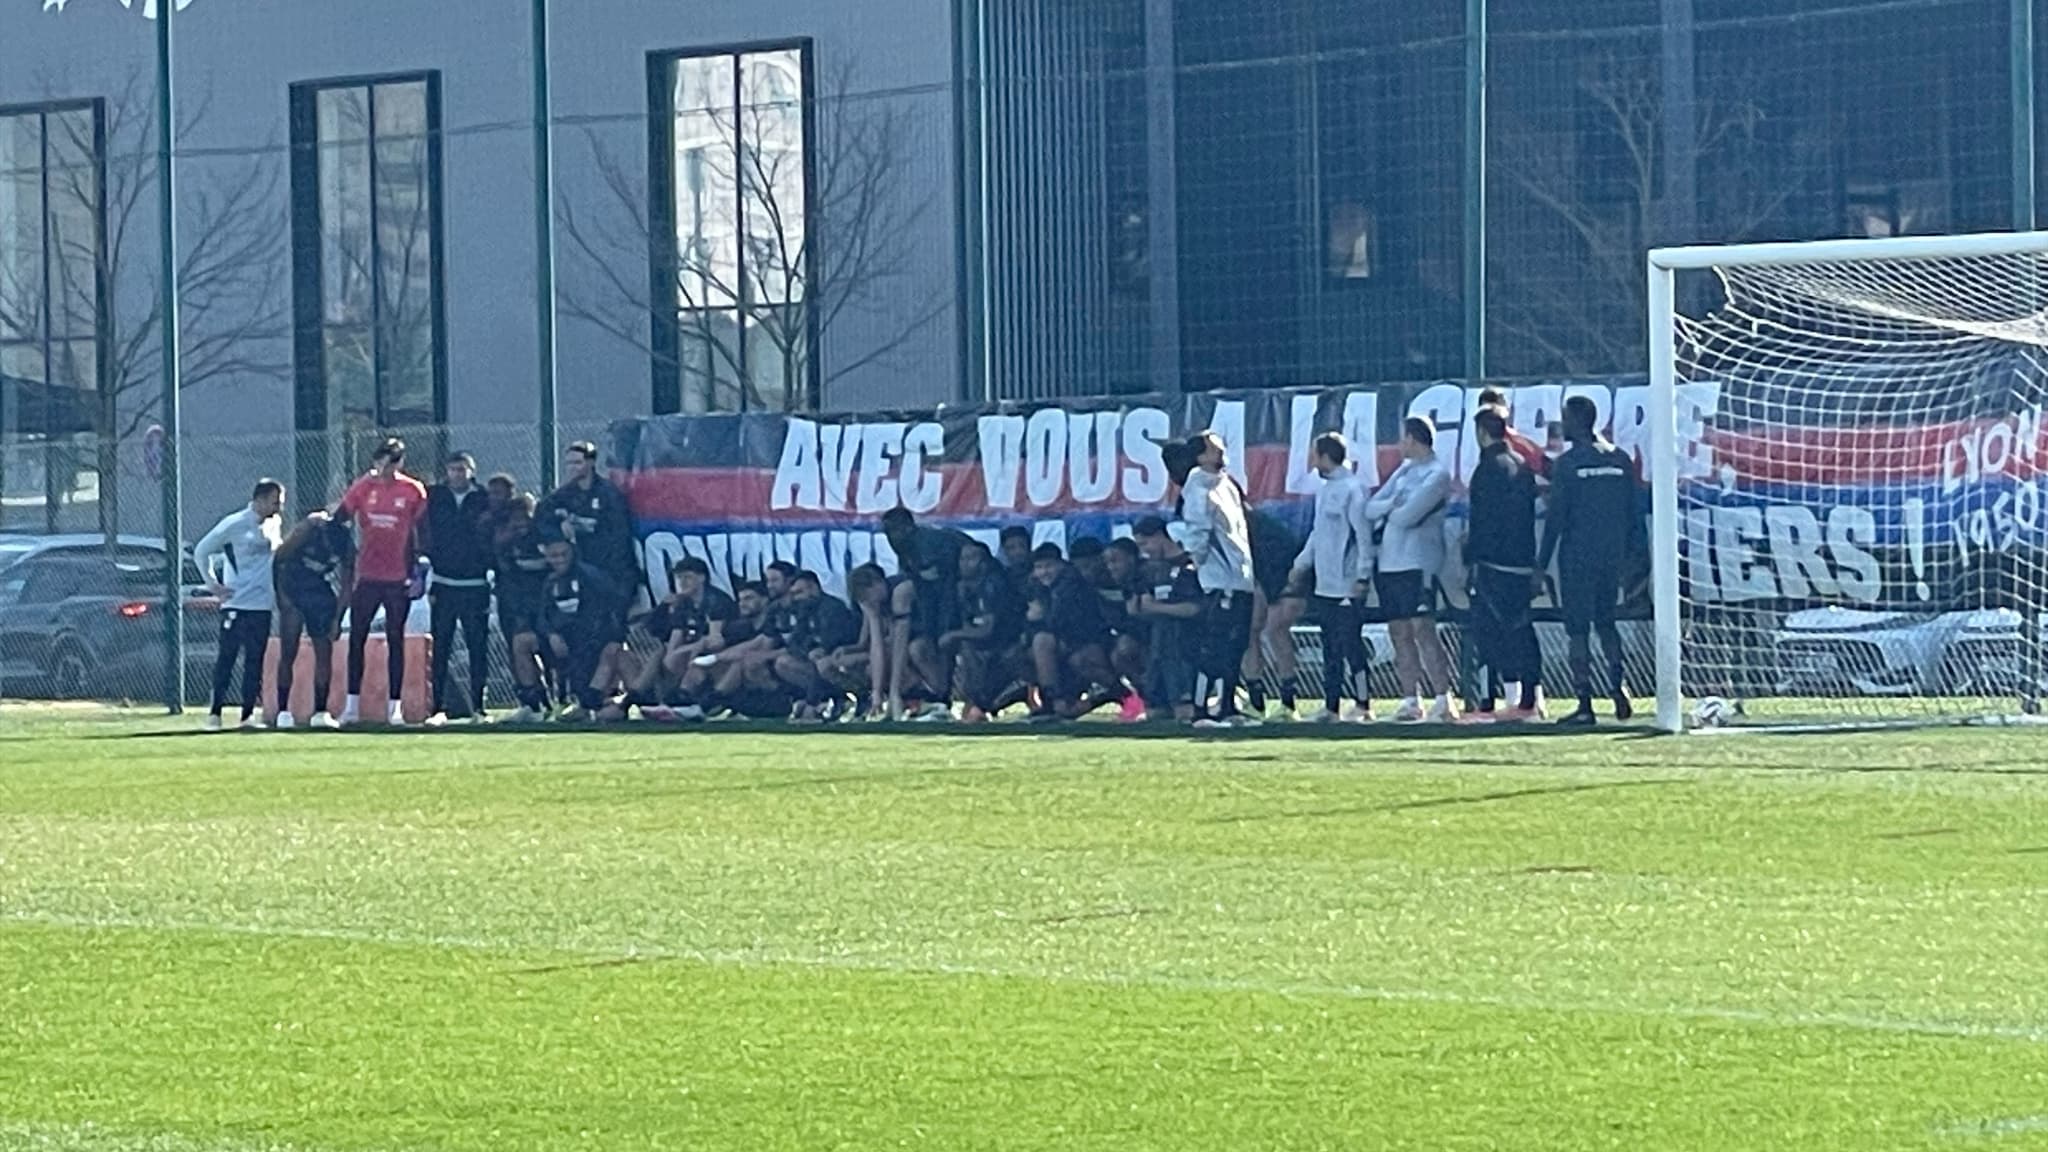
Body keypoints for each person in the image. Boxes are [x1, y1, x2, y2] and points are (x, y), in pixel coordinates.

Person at [1539, 395, 1642, 726]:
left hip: (1578, 558)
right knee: (1607, 622)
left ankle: (1584, 703)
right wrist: (1634, 559)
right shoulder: (1620, 459)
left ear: (1579, 421)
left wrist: (1541, 566)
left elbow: (1556, 519)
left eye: (1566, 418)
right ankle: (1617, 688)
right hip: (1611, 557)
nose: (1563, 425)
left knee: (1578, 630)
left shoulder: (1569, 465)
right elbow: (1633, 515)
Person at [1366, 417, 1457, 723]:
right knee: (1399, 631)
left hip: (1419, 563)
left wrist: (1392, 508)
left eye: (1402, 438)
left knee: (1423, 630)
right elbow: (1371, 508)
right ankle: (1410, 699)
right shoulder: (1404, 471)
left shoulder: (1438, 474)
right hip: (1389, 562)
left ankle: (1444, 698)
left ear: (1414, 439)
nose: (1399, 444)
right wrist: (1393, 503)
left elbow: (1406, 517)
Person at [335, 438, 429, 727]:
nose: (382, 468)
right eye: (379, 461)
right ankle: (351, 706)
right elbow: (341, 517)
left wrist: (418, 571)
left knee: (395, 638)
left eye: (389, 462)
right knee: (357, 638)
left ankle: (394, 708)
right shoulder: (364, 486)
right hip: (368, 575)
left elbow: (421, 532)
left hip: (397, 576)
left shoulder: (413, 491)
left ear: (399, 463)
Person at [1289, 433, 1376, 723]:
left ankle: (1363, 704)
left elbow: (1363, 536)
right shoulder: (1324, 490)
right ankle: (1331, 705)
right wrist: (1301, 564)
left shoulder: (1354, 489)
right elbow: (1318, 533)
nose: (1312, 460)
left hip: (1347, 584)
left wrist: (1362, 576)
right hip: (1324, 583)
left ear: (1326, 456)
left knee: (1351, 643)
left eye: (1315, 454)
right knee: (1330, 647)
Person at [1466, 408, 1546, 721]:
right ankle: (1529, 698)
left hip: (1493, 565)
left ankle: (1487, 701)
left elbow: (1482, 520)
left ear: (1482, 433)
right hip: (1522, 561)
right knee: (1522, 629)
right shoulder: (1522, 466)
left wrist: (1472, 557)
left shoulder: (1487, 468)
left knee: (1487, 632)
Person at [1177, 431, 1258, 726]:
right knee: (1215, 645)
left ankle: (1227, 707)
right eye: (1214, 449)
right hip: (1219, 580)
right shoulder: (1198, 489)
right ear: (1200, 456)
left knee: (1236, 645)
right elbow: (1197, 534)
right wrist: (1200, 565)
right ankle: (1200, 709)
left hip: (1241, 578)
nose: (1221, 454)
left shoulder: (1229, 486)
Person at [194, 478, 285, 731]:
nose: (278, 508)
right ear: (260, 500)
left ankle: (247, 715)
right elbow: (202, 550)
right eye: (274, 502)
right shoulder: (234, 524)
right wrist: (213, 585)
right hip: (236, 603)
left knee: (255, 661)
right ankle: (215, 714)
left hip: (262, 604)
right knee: (227, 658)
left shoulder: (274, 523)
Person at [614, 555, 734, 721]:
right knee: (662, 653)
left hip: (719, 653)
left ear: (702, 578)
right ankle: (635, 697)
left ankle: (674, 702)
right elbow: (674, 637)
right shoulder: (683, 603)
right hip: (690, 652)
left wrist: (680, 653)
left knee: (696, 649)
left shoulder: (716, 601)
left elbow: (715, 639)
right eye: (679, 578)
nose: (682, 582)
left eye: (688, 577)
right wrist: (664, 607)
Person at [880, 507, 973, 720]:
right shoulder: (905, 551)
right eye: (888, 533)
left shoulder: (929, 543)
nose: (892, 538)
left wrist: (944, 626)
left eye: (895, 531)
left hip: (962, 602)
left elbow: (949, 585)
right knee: (926, 644)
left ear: (908, 527)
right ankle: (940, 696)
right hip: (937, 602)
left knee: (947, 643)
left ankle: (954, 698)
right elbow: (924, 588)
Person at [424, 451, 493, 726]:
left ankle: (479, 707)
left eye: (462, 469)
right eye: (453, 469)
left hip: (475, 585)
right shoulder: (435, 497)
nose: (457, 474)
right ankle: (437, 708)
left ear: (472, 472)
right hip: (443, 583)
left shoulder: (484, 499)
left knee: (478, 645)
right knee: (441, 647)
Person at [272, 505, 356, 730]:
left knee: (324, 650)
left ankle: (320, 711)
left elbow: (348, 583)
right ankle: (283, 711)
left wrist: (338, 618)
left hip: (318, 592)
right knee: (289, 650)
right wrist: (283, 598)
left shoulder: (347, 543)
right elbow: (279, 559)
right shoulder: (310, 529)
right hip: (293, 587)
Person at [1024, 543, 1121, 719]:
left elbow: (1059, 623)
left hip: (1089, 642)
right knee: (1026, 650)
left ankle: (1053, 701)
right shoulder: (1039, 587)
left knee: (1043, 642)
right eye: (1039, 567)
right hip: (1069, 643)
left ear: (1061, 564)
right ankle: (1054, 701)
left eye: (1049, 566)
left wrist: (1037, 618)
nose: (1044, 572)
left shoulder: (1071, 583)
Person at [539, 533, 629, 723]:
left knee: (599, 672)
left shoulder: (591, 577)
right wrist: (552, 634)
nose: (560, 560)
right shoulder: (550, 582)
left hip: (596, 639)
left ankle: (599, 702)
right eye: (554, 556)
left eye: (564, 554)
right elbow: (543, 614)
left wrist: (615, 636)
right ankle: (540, 704)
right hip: (569, 640)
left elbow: (613, 605)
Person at [1131, 516, 1207, 723]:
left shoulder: (1189, 566)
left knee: (1184, 713)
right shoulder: (1147, 570)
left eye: (1145, 543)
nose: (1144, 550)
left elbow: (1194, 609)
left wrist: (1157, 608)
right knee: (1155, 714)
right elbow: (1141, 605)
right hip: (1158, 646)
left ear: (1159, 536)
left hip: (1185, 645)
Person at [942, 540, 1023, 722]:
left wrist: (954, 634)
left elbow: (987, 630)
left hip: (1004, 643)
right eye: (962, 558)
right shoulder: (960, 587)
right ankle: (946, 700)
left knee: (963, 645)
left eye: (972, 558)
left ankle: (977, 702)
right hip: (982, 644)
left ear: (985, 562)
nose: (965, 563)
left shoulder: (992, 585)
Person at [543, 441, 638, 595]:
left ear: (591, 462)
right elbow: (544, 520)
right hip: (579, 567)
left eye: (577, 462)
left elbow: (619, 535)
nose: (572, 467)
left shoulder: (609, 494)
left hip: (609, 569)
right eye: (569, 463)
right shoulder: (562, 496)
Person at [494, 495, 555, 724]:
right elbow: (504, 568)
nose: (520, 524)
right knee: (517, 647)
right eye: (515, 519)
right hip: (516, 604)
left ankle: (563, 699)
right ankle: (532, 702)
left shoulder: (544, 539)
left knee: (552, 651)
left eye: (524, 518)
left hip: (547, 606)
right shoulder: (504, 541)